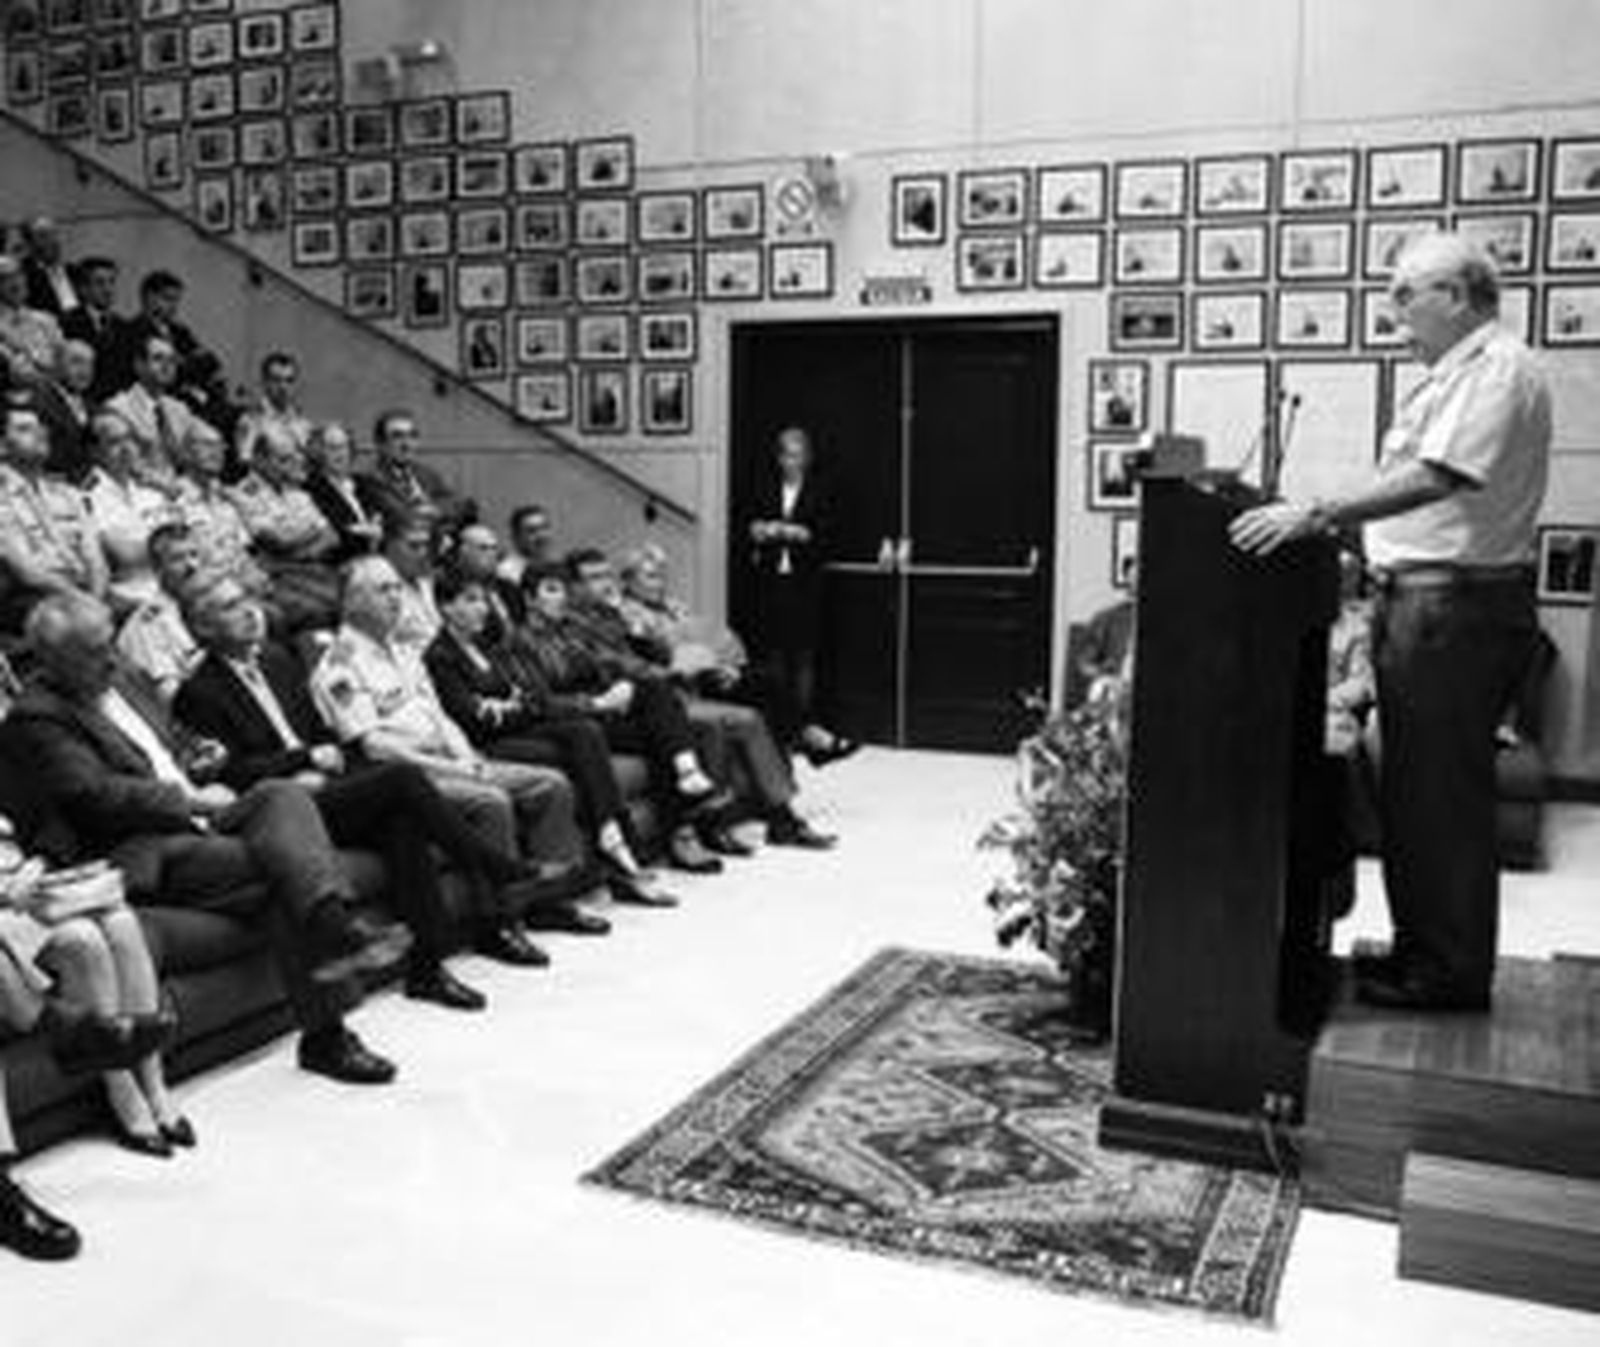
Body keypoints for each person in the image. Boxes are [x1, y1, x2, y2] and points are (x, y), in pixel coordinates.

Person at [1230, 233, 1551, 1013]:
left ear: (1458, 295)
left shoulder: (1498, 368)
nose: (1392, 313)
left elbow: (1438, 475)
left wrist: (1317, 513)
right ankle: (1422, 951)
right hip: (1429, 603)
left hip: (1453, 609)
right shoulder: (1461, 373)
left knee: (1440, 799)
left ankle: (1446, 971)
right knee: (1414, 793)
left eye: (1406, 294)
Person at [3, 592, 415, 1084]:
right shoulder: (38, 716)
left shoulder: (125, 679)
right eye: (93, 653)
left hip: (197, 814)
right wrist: (192, 800)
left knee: (281, 795)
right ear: (53, 660)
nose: (111, 658)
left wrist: (198, 754)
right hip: (146, 846)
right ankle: (329, 1013)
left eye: (110, 643)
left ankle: (331, 927)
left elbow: (169, 741)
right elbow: (92, 795)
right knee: (276, 872)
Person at [173, 573, 560, 1008]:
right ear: (203, 627)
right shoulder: (197, 692)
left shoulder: (278, 662)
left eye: (247, 598)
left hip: (329, 784)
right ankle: (493, 864)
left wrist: (323, 755)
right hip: (285, 807)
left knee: (402, 820)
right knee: (401, 778)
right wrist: (302, 763)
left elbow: (324, 731)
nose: (249, 611)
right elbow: (231, 773)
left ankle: (427, 968)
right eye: (230, 607)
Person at [312, 557, 608, 947]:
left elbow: (441, 717)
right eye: (383, 589)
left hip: (449, 758)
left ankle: (549, 902)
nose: (395, 597)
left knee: (552, 785)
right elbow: (374, 746)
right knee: (490, 801)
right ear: (352, 601)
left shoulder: (404, 651)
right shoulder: (339, 663)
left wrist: (467, 758)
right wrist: (451, 767)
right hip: (408, 774)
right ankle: (497, 924)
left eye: (397, 587)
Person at [426, 565, 678, 908]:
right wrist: (514, 706)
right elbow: (475, 718)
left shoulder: (483, 645)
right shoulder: (440, 656)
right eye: (470, 600)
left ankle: (612, 841)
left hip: (516, 728)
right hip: (487, 745)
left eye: (483, 600)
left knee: (584, 731)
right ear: (445, 606)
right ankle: (615, 855)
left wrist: (510, 707)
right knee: (580, 754)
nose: (482, 608)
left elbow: (522, 697)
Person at [567, 548, 836, 850]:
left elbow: (676, 648)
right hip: (637, 702)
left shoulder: (611, 615)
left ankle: (782, 818)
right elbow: (620, 665)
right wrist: (659, 652)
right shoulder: (584, 622)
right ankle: (716, 823)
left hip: (672, 689)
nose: (605, 583)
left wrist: (696, 658)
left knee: (751, 713)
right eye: (593, 578)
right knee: (724, 720)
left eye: (606, 575)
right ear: (573, 587)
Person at [514, 562, 730, 874]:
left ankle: (687, 780)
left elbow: (607, 661)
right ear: (529, 599)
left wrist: (620, 685)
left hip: (607, 709)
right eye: (550, 590)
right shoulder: (519, 641)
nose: (560, 597)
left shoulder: (571, 630)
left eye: (562, 590)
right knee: (664, 734)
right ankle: (684, 821)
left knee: (657, 699)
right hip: (577, 720)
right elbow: (540, 701)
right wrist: (597, 702)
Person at [0, 820, 188, 1156]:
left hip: (32, 891)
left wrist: (38, 863)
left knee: (122, 923)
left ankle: (154, 1085)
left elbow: (54, 824)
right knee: (83, 940)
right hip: (8, 911)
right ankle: (119, 1083)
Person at [619, 542, 855, 765]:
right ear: (628, 581)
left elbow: (711, 639)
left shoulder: (674, 606)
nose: (659, 584)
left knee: (767, 689)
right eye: (651, 577)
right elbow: (663, 654)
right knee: (767, 684)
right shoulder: (629, 614)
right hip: (685, 682)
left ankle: (798, 752)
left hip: (713, 672)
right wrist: (710, 666)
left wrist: (728, 666)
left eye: (662, 576)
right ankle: (811, 739)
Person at [741, 426, 834, 756]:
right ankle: (780, 728)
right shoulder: (765, 487)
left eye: (795, 455)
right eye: (784, 455)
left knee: (804, 658)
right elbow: (750, 526)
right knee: (774, 656)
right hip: (770, 582)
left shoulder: (821, 490)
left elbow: (826, 535)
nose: (789, 461)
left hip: (805, 583)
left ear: (807, 458)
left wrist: (795, 533)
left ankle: (804, 729)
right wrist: (762, 529)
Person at [0, 397, 108, 634]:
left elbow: (95, 558)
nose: (40, 433)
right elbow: (27, 572)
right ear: (2, 446)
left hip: (87, 592)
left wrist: (96, 598)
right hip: (34, 598)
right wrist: (83, 602)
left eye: (40, 427)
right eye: (24, 429)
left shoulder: (67, 492)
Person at [229, 421, 341, 632]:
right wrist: (313, 531)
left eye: (292, 458)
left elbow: (332, 537)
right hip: (280, 575)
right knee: (324, 610)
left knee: (356, 596)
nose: (289, 466)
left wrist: (301, 548)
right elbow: (279, 541)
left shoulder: (296, 492)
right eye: (282, 460)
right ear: (259, 460)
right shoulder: (244, 494)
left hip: (313, 567)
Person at [82, 409, 180, 618]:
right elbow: (121, 558)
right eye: (114, 442)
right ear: (95, 452)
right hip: (133, 600)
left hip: (177, 587)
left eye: (129, 438)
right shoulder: (87, 499)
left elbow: (184, 537)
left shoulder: (152, 488)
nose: (126, 448)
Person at [355, 408, 477, 544]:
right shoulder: (370, 478)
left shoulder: (425, 473)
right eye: (397, 437)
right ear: (380, 444)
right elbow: (401, 517)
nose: (406, 444)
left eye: (412, 436)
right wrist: (431, 512)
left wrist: (436, 510)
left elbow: (461, 504)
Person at [102, 332, 202, 490]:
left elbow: (193, 456)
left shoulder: (180, 409)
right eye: (158, 358)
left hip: (177, 490)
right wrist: (163, 485)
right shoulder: (118, 407)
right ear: (139, 365)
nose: (166, 366)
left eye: (172, 360)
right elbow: (124, 463)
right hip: (136, 490)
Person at [304, 421, 383, 563]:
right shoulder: (312, 488)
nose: (339, 454)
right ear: (319, 453)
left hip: (376, 556)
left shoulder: (364, 483)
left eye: (343, 447)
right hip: (341, 562)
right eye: (332, 448)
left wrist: (367, 528)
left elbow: (382, 517)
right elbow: (334, 533)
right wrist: (367, 532)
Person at [60, 256, 131, 401]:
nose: (108, 289)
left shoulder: (124, 327)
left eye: (112, 282)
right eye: (100, 283)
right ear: (83, 289)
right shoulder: (66, 322)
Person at [232, 351, 312, 477]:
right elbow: (244, 463)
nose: (283, 387)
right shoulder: (252, 421)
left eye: (289, 380)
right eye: (276, 380)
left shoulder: (303, 424)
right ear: (264, 382)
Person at [32, 336, 97, 484]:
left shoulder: (92, 407)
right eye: (76, 362)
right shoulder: (40, 401)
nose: (85, 370)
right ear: (56, 363)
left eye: (90, 364)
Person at [0, 255, 63, 387]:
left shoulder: (46, 320)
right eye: (4, 279)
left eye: (18, 275)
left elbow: (64, 363)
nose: (15, 283)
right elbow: (21, 374)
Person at [17, 217, 79, 318]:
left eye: (55, 234)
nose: (52, 241)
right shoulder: (23, 276)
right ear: (29, 243)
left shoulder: (74, 271)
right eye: (43, 236)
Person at [498, 503, 553, 589]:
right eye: (532, 531)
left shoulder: (553, 568)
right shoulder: (507, 574)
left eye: (545, 528)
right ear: (516, 537)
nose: (541, 535)